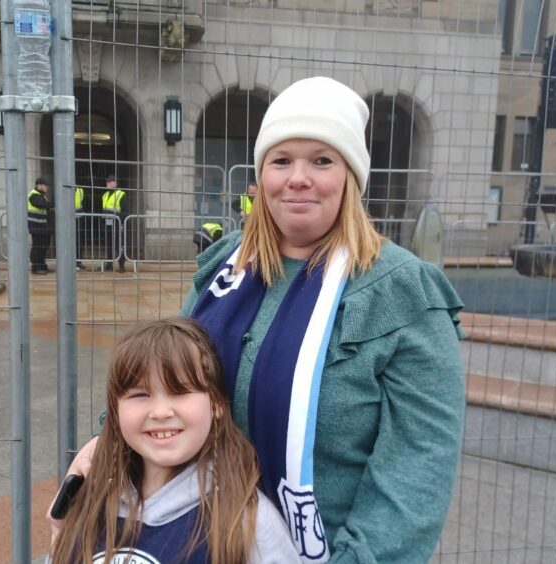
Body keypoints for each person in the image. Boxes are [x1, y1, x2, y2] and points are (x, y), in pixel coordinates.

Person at [56, 77, 465, 563]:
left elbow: (417, 469)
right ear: (261, 175)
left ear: (351, 176)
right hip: (202, 542)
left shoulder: (401, 292)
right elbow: (165, 367)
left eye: (322, 160)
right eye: (281, 160)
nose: (298, 177)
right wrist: (107, 439)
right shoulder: (227, 266)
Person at [48, 318, 300, 564]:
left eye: (179, 392)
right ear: (114, 412)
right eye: (140, 394)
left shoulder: (247, 520)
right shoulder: (86, 501)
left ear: (217, 404)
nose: (160, 412)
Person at [101, 174, 127, 273]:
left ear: (115, 183)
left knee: (119, 245)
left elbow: (125, 211)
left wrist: (118, 219)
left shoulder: (121, 194)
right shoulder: (105, 194)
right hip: (107, 224)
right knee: (108, 245)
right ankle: (109, 264)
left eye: (109, 181)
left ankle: (121, 265)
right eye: (107, 181)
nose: (107, 183)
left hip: (116, 224)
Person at [28, 177, 53, 274]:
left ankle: (42, 265)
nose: (47, 187)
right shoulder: (33, 195)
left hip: (43, 226)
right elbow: (42, 205)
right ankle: (36, 267)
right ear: (39, 185)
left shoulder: (42, 195)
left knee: (44, 246)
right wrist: (54, 203)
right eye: (45, 185)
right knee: (37, 247)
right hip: (36, 225)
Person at [74, 185, 86, 270]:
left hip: (78, 219)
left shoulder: (80, 190)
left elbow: (84, 203)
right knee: (68, 242)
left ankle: (78, 261)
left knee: (78, 241)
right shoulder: (63, 188)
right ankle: (69, 261)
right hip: (66, 220)